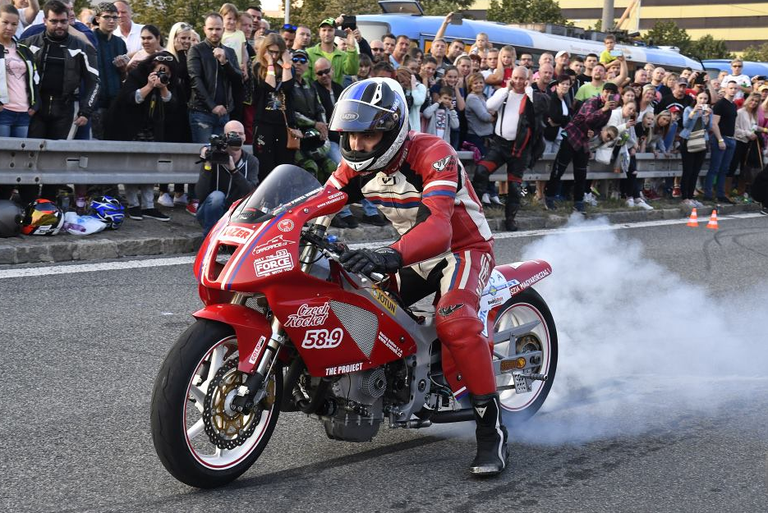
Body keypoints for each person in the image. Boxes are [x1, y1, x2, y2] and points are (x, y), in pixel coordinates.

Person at [327, 77, 507, 476]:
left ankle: (491, 431)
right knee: (350, 299)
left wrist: (388, 255)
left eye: (368, 135)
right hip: (412, 254)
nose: (356, 145)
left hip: (462, 250)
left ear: (392, 129)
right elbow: (319, 203)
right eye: (350, 135)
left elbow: (439, 229)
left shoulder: (433, 153)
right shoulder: (353, 164)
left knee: (456, 318)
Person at [22, 0, 99, 207]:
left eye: (63, 21)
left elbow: (95, 81)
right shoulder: (29, 43)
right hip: (35, 109)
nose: (59, 26)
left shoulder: (82, 47)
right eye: (54, 21)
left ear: (69, 21)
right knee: (30, 156)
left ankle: (47, 205)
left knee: (55, 160)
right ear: (45, 20)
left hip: (66, 109)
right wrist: (24, 105)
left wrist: (86, 111)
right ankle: (28, 203)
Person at [104, 51, 188, 222]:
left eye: (167, 72)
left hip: (154, 128)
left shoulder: (171, 83)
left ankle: (148, 205)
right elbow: (130, 99)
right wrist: (149, 86)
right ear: (151, 68)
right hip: (130, 126)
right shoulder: (136, 75)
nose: (162, 74)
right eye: (159, 71)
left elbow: (173, 105)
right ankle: (133, 204)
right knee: (133, 166)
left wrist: (163, 86)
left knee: (150, 166)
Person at [474, 66, 537, 231]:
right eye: (515, 78)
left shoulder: (531, 96)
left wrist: (529, 88)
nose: (518, 82)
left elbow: (538, 108)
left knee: (515, 187)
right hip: (500, 145)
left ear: (527, 80)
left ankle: (510, 219)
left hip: (520, 149)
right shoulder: (504, 93)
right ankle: (475, 215)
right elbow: (489, 106)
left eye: (521, 79)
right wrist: (506, 89)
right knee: (481, 171)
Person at [544, 83, 619, 212]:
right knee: (559, 169)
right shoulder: (593, 101)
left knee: (581, 173)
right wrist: (603, 110)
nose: (608, 95)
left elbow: (598, 127)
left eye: (611, 93)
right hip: (571, 135)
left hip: (584, 140)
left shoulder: (609, 110)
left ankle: (578, 202)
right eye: (606, 91)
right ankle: (549, 197)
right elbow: (588, 118)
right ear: (602, 91)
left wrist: (593, 133)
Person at [0, 4, 39, 204]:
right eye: (5, 22)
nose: (9, 27)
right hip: (4, 112)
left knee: (18, 161)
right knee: (3, 160)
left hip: (23, 112)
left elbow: (34, 79)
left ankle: (8, 206)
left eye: (14, 24)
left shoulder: (23, 50)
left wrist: (35, 103)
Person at [195, 120, 259, 235]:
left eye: (240, 134)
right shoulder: (214, 156)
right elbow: (200, 194)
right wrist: (207, 165)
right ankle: (210, 238)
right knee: (217, 196)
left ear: (245, 137)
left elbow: (251, 193)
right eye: (233, 134)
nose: (237, 137)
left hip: (234, 214)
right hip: (209, 212)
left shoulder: (251, 161)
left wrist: (234, 170)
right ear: (224, 137)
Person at [187, 12, 242, 144]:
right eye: (211, 29)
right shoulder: (196, 50)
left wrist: (225, 62)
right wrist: (212, 106)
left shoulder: (229, 52)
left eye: (217, 29)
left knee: (222, 158)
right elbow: (195, 80)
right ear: (205, 29)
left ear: (223, 29)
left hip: (224, 114)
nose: (214, 32)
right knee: (205, 155)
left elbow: (237, 80)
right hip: (202, 112)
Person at [251, 33, 298, 181]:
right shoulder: (258, 67)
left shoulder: (288, 68)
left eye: (278, 52)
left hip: (284, 124)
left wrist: (286, 63)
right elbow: (270, 86)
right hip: (265, 122)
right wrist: (270, 63)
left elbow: (288, 86)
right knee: (265, 164)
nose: (274, 55)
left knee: (284, 165)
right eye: (271, 51)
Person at [291, 49, 335, 184]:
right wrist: (314, 124)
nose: (298, 63)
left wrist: (323, 127)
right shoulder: (287, 84)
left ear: (307, 65)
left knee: (331, 167)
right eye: (295, 60)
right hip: (297, 137)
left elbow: (320, 108)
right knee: (310, 168)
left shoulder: (310, 84)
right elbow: (291, 112)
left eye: (302, 60)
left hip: (315, 136)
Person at [91, 2, 128, 140]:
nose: (111, 21)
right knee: (95, 143)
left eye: (115, 17)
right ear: (97, 19)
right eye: (107, 17)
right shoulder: (89, 39)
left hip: (115, 101)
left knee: (115, 141)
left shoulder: (120, 43)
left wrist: (123, 68)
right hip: (95, 102)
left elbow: (123, 76)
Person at [704, 80, 739, 202]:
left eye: (735, 88)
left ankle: (720, 194)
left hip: (731, 139)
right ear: (726, 89)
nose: (733, 90)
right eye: (731, 88)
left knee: (725, 169)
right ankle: (708, 194)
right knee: (715, 168)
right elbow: (714, 123)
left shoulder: (733, 105)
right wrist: (720, 139)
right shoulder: (720, 104)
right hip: (721, 138)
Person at [679, 90, 712, 208]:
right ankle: (684, 197)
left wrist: (707, 117)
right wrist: (694, 113)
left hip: (701, 140)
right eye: (701, 98)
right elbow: (686, 125)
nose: (703, 101)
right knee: (687, 170)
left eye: (705, 99)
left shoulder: (708, 111)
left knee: (695, 170)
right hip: (689, 139)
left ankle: (691, 196)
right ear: (696, 98)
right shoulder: (688, 109)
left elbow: (708, 128)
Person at [729, 92, 763, 200]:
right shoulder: (740, 112)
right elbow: (735, 129)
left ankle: (741, 192)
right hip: (739, 141)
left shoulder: (755, 114)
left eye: (756, 102)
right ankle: (727, 192)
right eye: (752, 100)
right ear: (748, 100)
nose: (753, 103)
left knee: (745, 168)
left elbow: (754, 127)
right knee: (733, 167)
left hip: (749, 143)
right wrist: (748, 134)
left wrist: (759, 131)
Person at [305, 17, 358, 84]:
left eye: (330, 30)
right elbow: (305, 78)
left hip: (335, 93)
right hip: (315, 93)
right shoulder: (309, 53)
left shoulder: (342, 55)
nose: (327, 34)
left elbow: (352, 71)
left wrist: (351, 46)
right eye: (324, 30)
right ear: (319, 32)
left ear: (335, 32)